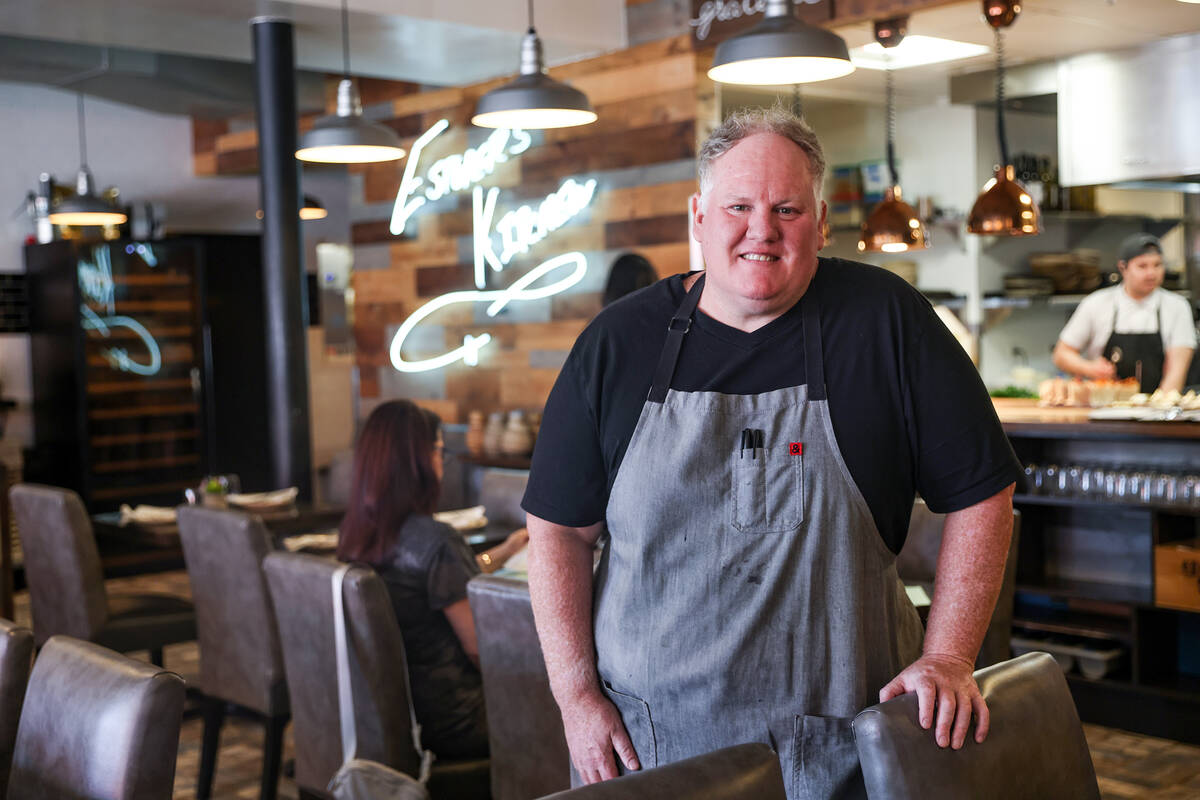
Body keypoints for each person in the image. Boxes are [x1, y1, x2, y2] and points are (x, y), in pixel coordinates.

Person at [521, 106, 1019, 800]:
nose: (762, 229)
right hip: (651, 751)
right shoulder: (617, 345)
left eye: (786, 209)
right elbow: (556, 533)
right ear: (699, 216)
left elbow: (984, 493)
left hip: (841, 750)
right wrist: (575, 695)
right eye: (738, 206)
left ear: (820, 222)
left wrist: (949, 655)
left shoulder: (886, 324)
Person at [337, 399, 528, 758]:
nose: (443, 461)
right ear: (418, 462)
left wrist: (503, 551)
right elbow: (478, 649)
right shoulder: (437, 541)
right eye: (440, 451)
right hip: (455, 719)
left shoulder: (359, 532)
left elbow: (437, 578)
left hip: (394, 713)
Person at [1053, 233, 1196, 394]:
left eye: (1157, 265)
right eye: (1142, 266)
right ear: (1123, 268)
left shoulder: (1177, 306)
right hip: (1104, 406)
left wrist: (1160, 408)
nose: (1151, 273)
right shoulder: (1096, 303)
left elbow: (1176, 372)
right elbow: (1061, 354)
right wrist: (1089, 368)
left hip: (1158, 407)